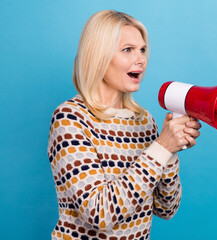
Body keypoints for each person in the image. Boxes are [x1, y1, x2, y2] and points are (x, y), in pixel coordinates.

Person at [47, 10, 201, 240]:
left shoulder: (143, 121)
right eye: (127, 50)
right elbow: (100, 214)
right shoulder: (70, 119)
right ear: (99, 55)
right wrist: (160, 148)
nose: (141, 59)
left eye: (142, 50)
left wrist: (169, 152)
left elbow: (166, 209)